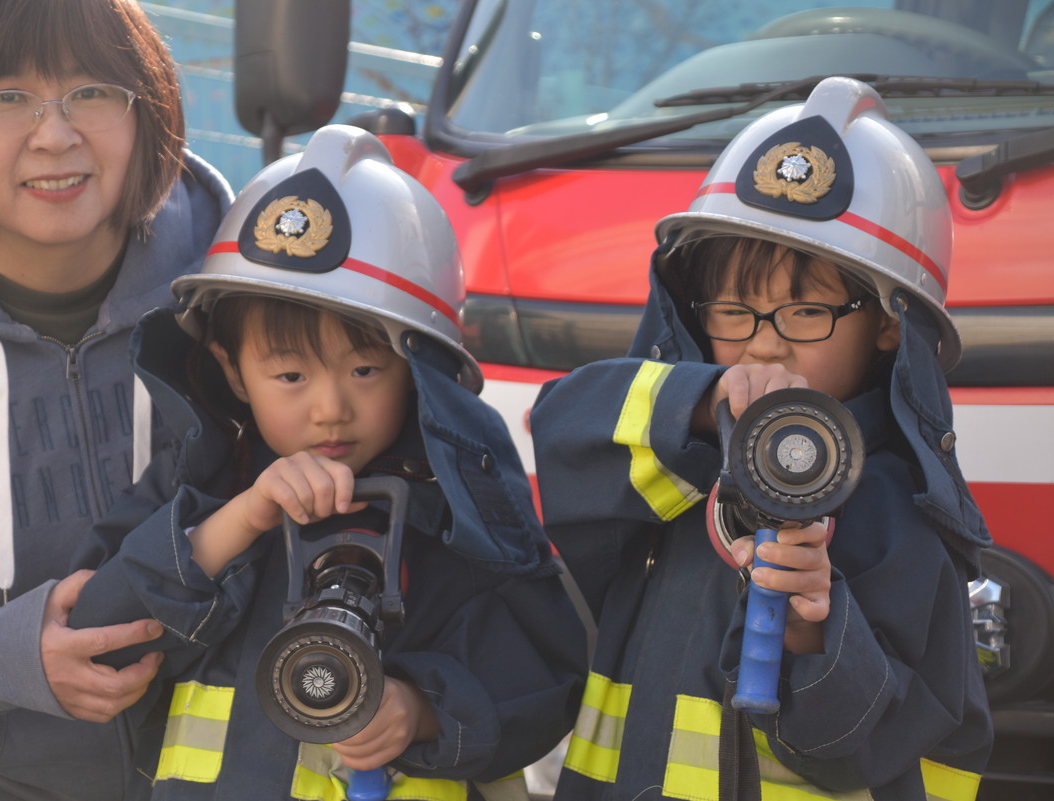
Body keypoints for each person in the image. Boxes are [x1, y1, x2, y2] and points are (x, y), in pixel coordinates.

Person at [65, 123, 587, 800]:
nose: (330, 409)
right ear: (230, 369)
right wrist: (240, 519)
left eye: (366, 369)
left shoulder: (461, 504)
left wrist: (420, 711)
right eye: (290, 376)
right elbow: (97, 638)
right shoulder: (200, 484)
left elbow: (543, 677)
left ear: (421, 369)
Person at [530, 76, 993, 801]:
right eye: (733, 311)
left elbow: (860, 751)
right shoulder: (680, 457)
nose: (764, 345)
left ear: (889, 324)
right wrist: (699, 398)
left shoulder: (899, 514)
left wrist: (813, 629)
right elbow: (560, 427)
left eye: (806, 311)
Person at [0, 0, 233, 798]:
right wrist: (5, 656)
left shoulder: (235, 288)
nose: (56, 134)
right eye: (8, 97)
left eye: (93, 91)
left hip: (202, 762)